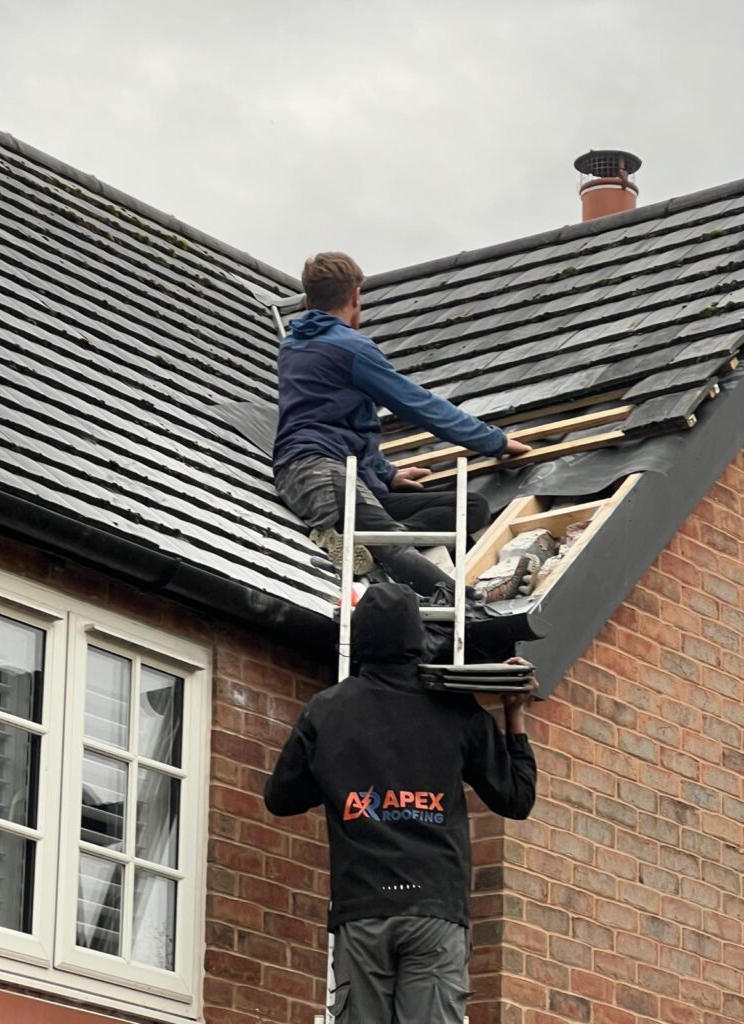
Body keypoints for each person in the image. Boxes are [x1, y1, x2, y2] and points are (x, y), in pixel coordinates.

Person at [264, 583, 538, 1024]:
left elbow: (281, 798)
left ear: (359, 639)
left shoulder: (326, 711)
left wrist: (343, 775)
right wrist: (514, 712)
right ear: (416, 636)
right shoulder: (455, 708)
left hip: (363, 910)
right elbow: (516, 798)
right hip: (434, 908)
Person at [273, 252, 534, 602]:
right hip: (320, 472)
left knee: (470, 507)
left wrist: (387, 473)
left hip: (342, 477)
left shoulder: (292, 345)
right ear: (356, 296)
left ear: (307, 301)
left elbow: (334, 415)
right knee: (392, 545)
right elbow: (418, 404)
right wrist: (494, 441)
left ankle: (363, 542)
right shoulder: (350, 349)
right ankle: (473, 603)